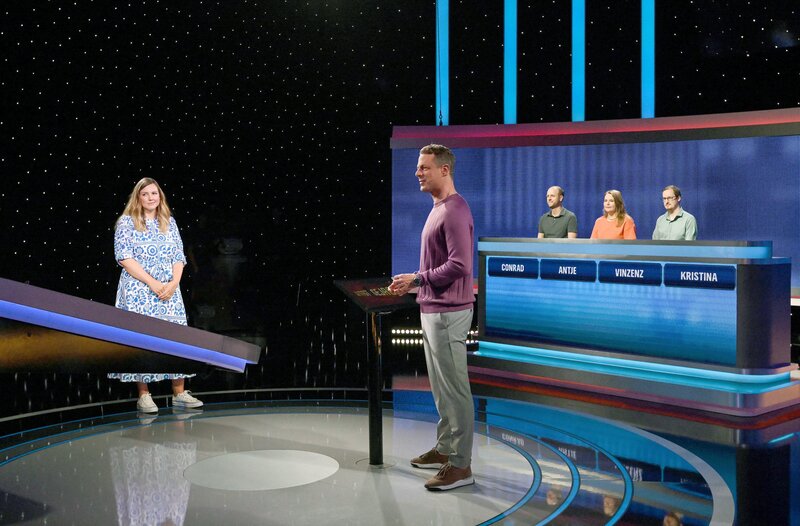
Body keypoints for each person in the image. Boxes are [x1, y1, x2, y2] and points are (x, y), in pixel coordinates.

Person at [389, 144, 476, 491]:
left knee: (455, 390)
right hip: (433, 309)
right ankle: (445, 449)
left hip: (449, 313)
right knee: (442, 390)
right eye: (418, 167)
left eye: (424, 167)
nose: (417, 172)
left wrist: (418, 279)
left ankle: (461, 465)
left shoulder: (455, 209)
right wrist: (415, 280)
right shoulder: (438, 208)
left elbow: (460, 265)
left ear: (444, 170)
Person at [108, 177, 203, 413]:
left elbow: (178, 256)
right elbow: (124, 257)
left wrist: (173, 283)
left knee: (175, 340)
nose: (151, 198)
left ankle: (179, 393)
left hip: (169, 291)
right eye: (146, 194)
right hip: (140, 289)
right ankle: (144, 395)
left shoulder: (168, 222)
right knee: (142, 340)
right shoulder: (127, 223)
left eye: (155, 193)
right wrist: (152, 283)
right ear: (137, 198)